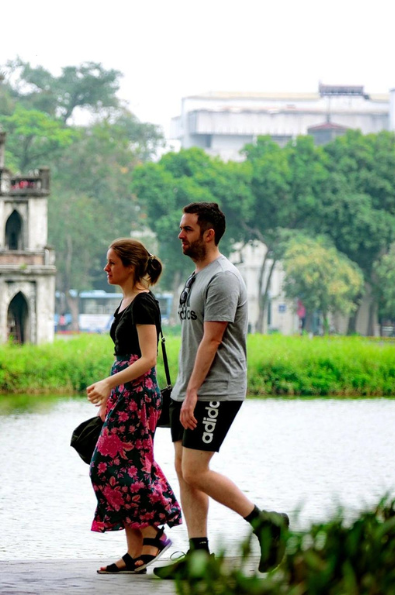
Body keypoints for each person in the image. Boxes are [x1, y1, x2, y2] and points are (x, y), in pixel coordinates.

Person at [155, 202, 289, 579]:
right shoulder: (196, 277)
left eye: (187, 229)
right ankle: (199, 556)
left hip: (217, 388)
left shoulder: (224, 278)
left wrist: (194, 392)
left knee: (196, 471)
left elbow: (212, 341)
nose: (179, 235)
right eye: (180, 228)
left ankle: (266, 523)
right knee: (184, 470)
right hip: (189, 388)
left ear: (208, 233)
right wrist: (182, 390)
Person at [86, 238, 182, 574]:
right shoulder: (126, 300)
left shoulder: (144, 303)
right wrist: (109, 397)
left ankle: (154, 536)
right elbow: (124, 356)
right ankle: (134, 551)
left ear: (130, 266)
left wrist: (110, 384)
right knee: (121, 468)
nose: (106, 268)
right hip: (124, 395)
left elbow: (148, 359)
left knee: (110, 466)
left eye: (112, 262)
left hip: (138, 396)